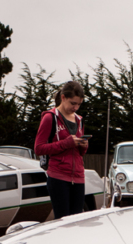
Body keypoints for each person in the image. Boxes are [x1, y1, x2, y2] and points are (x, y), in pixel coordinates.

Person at [34, 81, 89, 219]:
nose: (75, 107)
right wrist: (66, 143)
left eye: (79, 104)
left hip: (78, 177)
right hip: (58, 177)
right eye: (73, 103)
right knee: (63, 222)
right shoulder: (49, 117)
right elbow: (38, 148)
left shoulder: (79, 120)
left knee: (77, 221)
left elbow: (80, 153)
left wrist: (84, 146)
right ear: (63, 98)